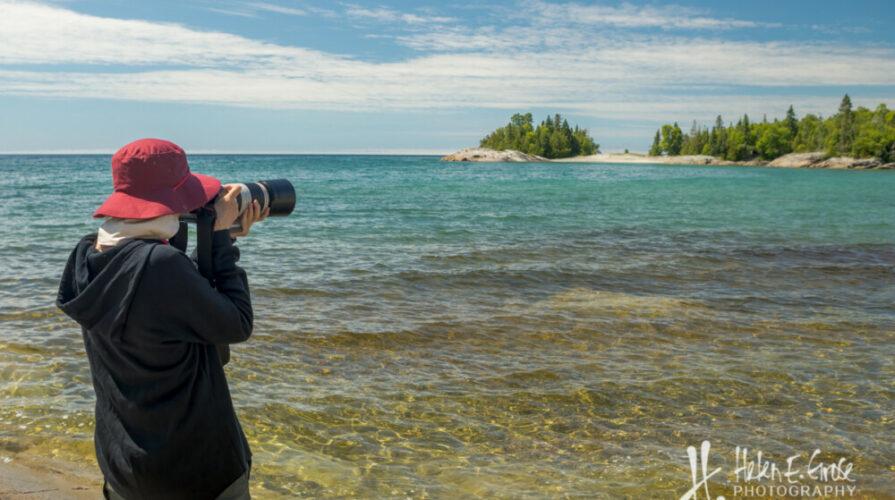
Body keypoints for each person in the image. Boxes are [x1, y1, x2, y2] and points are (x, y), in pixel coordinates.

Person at [56, 138, 269, 499]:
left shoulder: (87, 256)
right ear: (170, 200)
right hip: (196, 474)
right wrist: (221, 241)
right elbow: (236, 323)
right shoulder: (160, 268)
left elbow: (163, 292)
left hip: (126, 469)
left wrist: (213, 237)